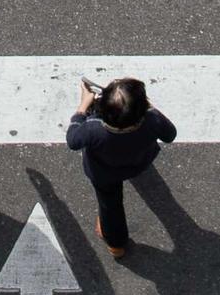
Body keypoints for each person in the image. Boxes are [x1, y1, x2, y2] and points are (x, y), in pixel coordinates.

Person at [66, 77, 176, 259]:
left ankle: (116, 245)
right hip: (138, 163)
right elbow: (170, 134)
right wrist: (150, 108)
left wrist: (82, 107)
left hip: (104, 173)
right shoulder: (152, 120)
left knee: (110, 205)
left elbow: (73, 140)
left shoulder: (93, 130)